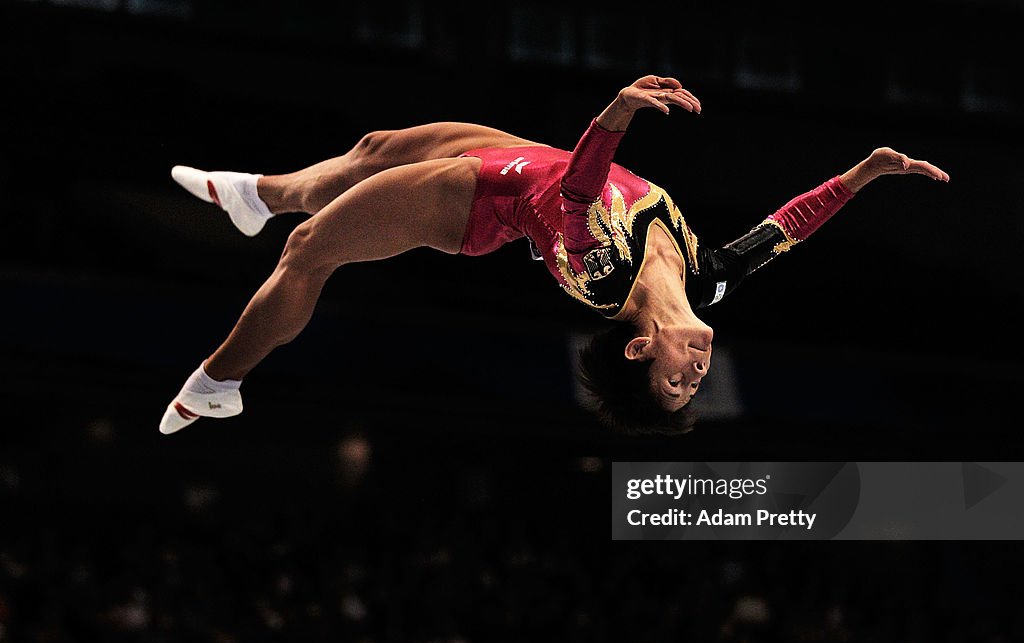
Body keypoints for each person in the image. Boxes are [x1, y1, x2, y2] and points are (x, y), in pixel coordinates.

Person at [158, 75, 949, 435]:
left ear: (639, 348)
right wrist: (864, 174)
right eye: (694, 386)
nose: (695, 375)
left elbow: (576, 197)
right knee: (370, 149)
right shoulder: (707, 283)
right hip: (526, 159)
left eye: (674, 382)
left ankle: (217, 383)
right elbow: (785, 229)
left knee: (311, 251)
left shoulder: (600, 277)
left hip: (475, 202)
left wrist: (615, 116)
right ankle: (255, 195)